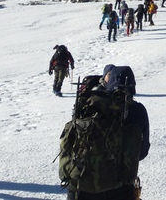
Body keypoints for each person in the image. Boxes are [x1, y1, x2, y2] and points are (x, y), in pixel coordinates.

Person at [64, 65, 149, 200]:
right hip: (120, 187)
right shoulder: (137, 111)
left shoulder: (88, 104)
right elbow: (142, 152)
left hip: (81, 186)